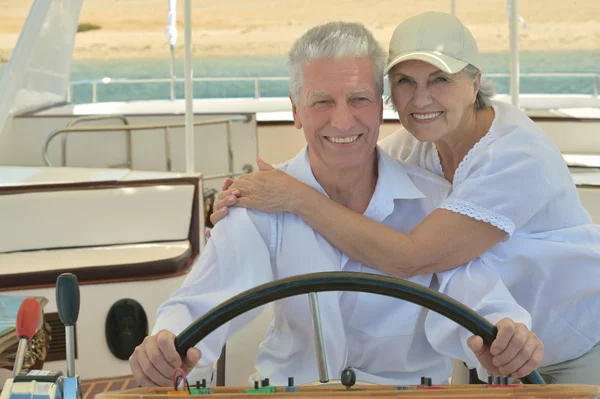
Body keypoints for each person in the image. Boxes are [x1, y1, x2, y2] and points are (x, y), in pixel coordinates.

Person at [129, 21, 543, 388]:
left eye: (359, 99)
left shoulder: (434, 199)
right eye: (322, 101)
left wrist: (506, 337)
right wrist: (167, 344)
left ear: (381, 108)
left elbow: (479, 299)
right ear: (295, 111)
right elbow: (201, 302)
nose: (343, 122)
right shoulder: (258, 203)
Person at [210, 12, 600, 385]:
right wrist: (241, 196)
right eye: (405, 82)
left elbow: (411, 258)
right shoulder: (416, 147)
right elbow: (343, 161)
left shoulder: (517, 156)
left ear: (475, 81)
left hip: (579, 345)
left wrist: (295, 198)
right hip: (494, 345)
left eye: (440, 79)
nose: (420, 99)